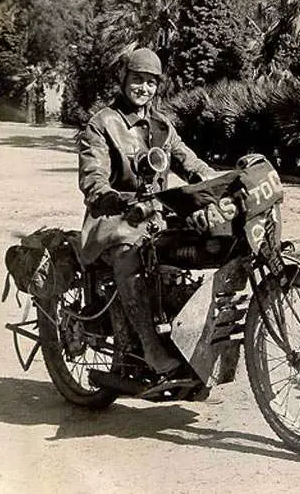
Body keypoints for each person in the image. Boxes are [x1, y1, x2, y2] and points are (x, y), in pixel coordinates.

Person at [78, 48, 215, 374]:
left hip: (156, 217)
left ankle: (190, 333)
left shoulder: (162, 126)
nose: (144, 88)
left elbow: (189, 162)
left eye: (151, 82)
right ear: (123, 79)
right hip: (113, 220)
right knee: (129, 250)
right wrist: (105, 194)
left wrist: (217, 182)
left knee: (205, 240)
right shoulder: (102, 124)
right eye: (138, 79)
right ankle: (150, 348)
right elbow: (93, 174)